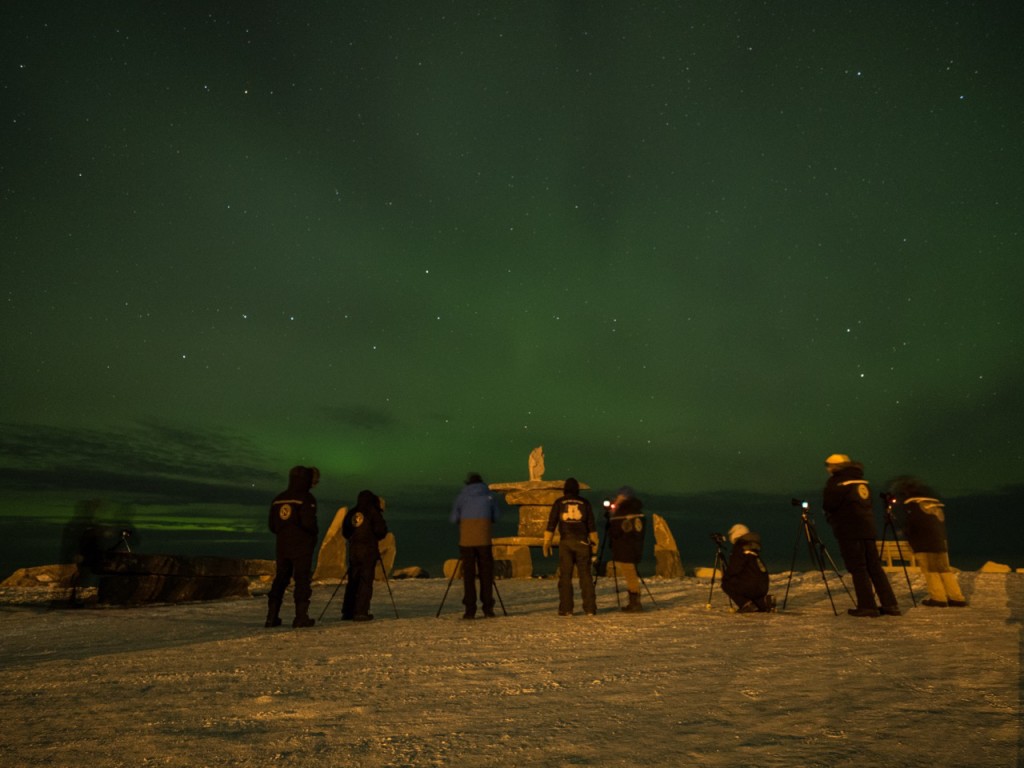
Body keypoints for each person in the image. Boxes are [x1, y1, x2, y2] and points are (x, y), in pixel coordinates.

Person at [822, 454, 900, 618]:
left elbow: (829, 504)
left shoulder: (837, 483)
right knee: (874, 567)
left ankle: (867, 606)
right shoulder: (862, 483)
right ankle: (890, 604)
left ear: (836, 467)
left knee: (858, 568)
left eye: (828, 465)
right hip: (868, 530)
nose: (827, 469)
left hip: (849, 531)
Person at [888, 476, 967, 608]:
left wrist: (904, 532)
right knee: (944, 570)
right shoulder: (933, 504)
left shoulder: (912, 505)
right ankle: (956, 597)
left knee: (931, 571)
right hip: (940, 541)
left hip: (924, 543)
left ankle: (938, 598)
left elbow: (910, 525)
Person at [266, 465, 319, 628]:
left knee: (280, 579)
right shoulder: (306, 498)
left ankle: (271, 617)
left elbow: (272, 525)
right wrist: (313, 533)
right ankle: (300, 617)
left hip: (282, 545)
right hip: (301, 546)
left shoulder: (278, 499)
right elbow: (308, 522)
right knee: (302, 580)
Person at [543, 477, 598, 616]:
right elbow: (591, 524)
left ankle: (566, 608)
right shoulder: (585, 503)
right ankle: (590, 608)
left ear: (565, 489)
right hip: (582, 542)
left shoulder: (559, 502)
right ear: (577, 490)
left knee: (565, 576)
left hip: (566, 542)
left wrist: (547, 541)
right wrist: (595, 545)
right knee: (585, 575)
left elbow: (552, 522)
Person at [450, 473, 501, 619]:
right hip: (484, 540)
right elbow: (496, 516)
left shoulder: (462, 497)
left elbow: (454, 518)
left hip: (466, 541)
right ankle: (488, 608)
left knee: (469, 575)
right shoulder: (489, 497)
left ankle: (470, 609)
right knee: (486, 574)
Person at [341, 490, 389, 621]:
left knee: (353, 581)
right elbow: (381, 531)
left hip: (354, 551)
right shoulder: (373, 512)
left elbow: (345, 531)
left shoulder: (352, 513)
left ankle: (348, 611)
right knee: (365, 581)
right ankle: (361, 611)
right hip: (368, 551)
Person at [607, 485, 646, 612]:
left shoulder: (622, 511)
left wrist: (612, 514)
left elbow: (616, 531)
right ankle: (634, 601)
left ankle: (635, 603)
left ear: (623, 497)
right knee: (631, 573)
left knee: (630, 575)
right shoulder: (637, 511)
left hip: (624, 548)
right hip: (635, 547)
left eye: (619, 495)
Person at [721, 523, 774, 613]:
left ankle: (746, 604)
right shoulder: (753, 547)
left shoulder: (740, 547)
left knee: (726, 584)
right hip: (763, 585)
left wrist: (726, 577)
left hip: (751, 585)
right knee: (752, 593)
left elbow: (735, 567)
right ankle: (763, 602)